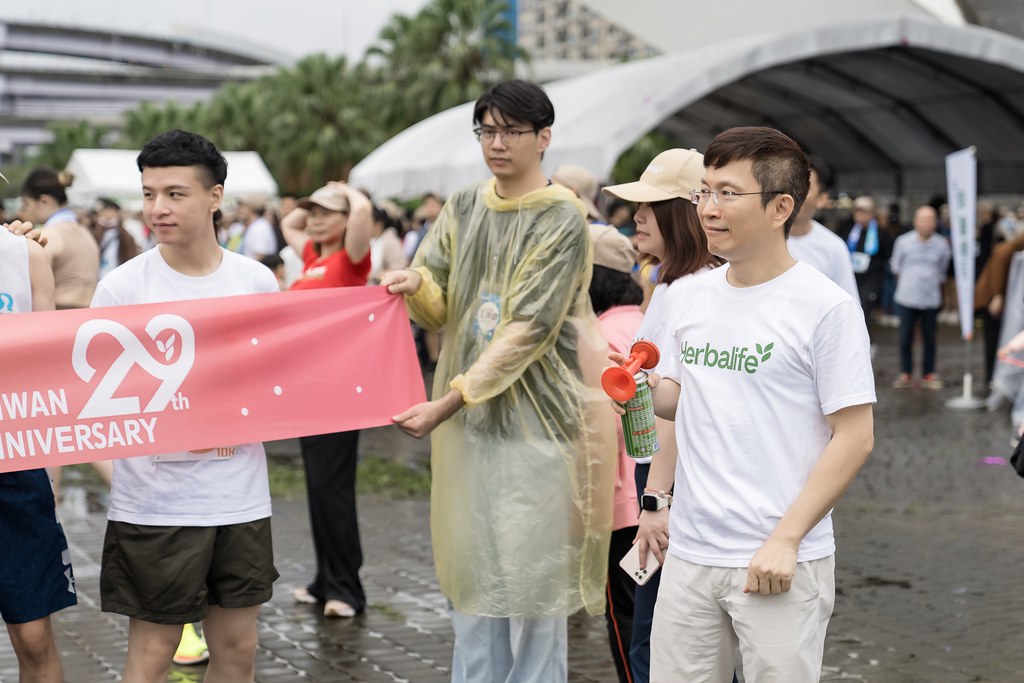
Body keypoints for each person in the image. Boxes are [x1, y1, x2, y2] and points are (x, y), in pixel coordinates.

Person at [381, 79, 616, 682]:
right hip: (471, 426)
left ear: (544, 137)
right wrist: (417, 287)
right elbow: (438, 299)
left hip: (540, 426)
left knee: (537, 589)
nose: (498, 143)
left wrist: (449, 400)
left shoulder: (563, 214)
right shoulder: (463, 205)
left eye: (512, 131)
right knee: (473, 579)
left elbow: (529, 328)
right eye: (488, 130)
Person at [635, 126, 875, 682]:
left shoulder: (824, 307)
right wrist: (639, 391)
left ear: (780, 207)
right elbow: (678, 398)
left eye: (727, 193)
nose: (708, 209)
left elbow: (856, 436)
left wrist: (787, 539)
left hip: (777, 560)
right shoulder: (690, 293)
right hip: (691, 553)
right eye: (704, 192)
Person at [90, 129, 280, 683]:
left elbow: (278, 385)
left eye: (175, 194)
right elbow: (98, 409)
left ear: (215, 197)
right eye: (149, 194)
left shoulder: (255, 282)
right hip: (156, 509)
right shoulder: (122, 289)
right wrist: (126, 481)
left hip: (240, 497)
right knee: (153, 651)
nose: (157, 208)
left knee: (238, 647)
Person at [601, 147, 724, 683]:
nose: (637, 216)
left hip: (676, 487)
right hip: (664, 480)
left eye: (650, 205)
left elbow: (680, 406)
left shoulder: (698, 290)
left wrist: (656, 499)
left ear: (684, 211)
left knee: (660, 642)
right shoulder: (669, 285)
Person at [281, 181, 373, 618]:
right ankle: (324, 581)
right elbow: (288, 222)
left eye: (324, 212)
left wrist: (350, 194)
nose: (313, 219)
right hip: (308, 388)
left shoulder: (351, 260)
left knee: (334, 491)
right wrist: (322, 202)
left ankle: (346, 589)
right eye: (311, 212)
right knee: (318, 489)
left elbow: (361, 217)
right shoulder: (313, 257)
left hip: (339, 388)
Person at [1, 220, 77, 683]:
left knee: (33, 638)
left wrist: (53, 475)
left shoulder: (24, 254)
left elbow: (50, 370)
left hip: (16, 468)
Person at [586, 223, 643, 683]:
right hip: (664, 495)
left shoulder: (598, 337)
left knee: (625, 620)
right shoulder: (646, 322)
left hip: (621, 506)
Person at [890, 206, 952, 389]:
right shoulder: (903, 241)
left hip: (931, 298)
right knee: (905, 338)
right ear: (916, 221)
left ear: (936, 222)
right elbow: (896, 266)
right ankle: (906, 373)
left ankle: (929, 373)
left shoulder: (942, 243)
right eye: (923, 219)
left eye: (931, 219)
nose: (927, 223)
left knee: (930, 338)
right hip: (906, 296)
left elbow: (943, 268)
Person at [786, 156, 859, 300]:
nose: (792, 194)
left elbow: (848, 303)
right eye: (789, 184)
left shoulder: (833, 247)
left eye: (804, 187)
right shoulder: (757, 240)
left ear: (822, 199)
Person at [838, 195, 893, 344]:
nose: (860, 215)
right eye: (857, 211)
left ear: (871, 213)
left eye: (864, 211)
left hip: (872, 277)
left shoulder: (880, 232)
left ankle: (866, 342)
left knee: (865, 308)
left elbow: (889, 254)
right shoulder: (848, 230)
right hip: (852, 276)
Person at [91, 197, 141, 279]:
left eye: (109, 211)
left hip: (118, 275)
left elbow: (131, 256)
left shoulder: (125, 234)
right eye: (103, 211)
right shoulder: (97, 231)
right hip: (98, 275)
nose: (106, 214)